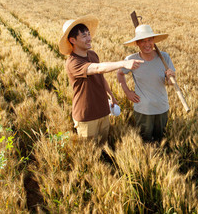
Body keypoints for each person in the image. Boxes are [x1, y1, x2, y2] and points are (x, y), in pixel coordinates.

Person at [59, 15, 143, 146]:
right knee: (90, 152)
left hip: (103, 111)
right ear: (72, 40)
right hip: (86, 116)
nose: (89, 38)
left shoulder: (92, 55)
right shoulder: (73, 63)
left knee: (104, 146)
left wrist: (110, 95)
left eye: (88, 34)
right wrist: (123, 63)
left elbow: (100, 77)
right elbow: (97, 68)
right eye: (84, 36)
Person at [117, 24, 176, 143]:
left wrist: (171, 76)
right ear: (137, 43)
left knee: (160, 140)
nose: (147, 44)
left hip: (161, 107)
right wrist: (127, 92)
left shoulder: (164, 57)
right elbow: (120, 73)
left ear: (154, 40)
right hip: (143, 109)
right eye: (142, 41)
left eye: (149, 40)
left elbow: (170, 83)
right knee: (144, 141)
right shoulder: (131, 59)